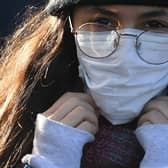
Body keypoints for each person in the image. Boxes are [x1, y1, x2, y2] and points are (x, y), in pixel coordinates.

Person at [1, 0, 168, 168]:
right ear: (69, 29)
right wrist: (50, 160)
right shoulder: (15, 123)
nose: (126, 56)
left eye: (155, 24)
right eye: (103, 21)